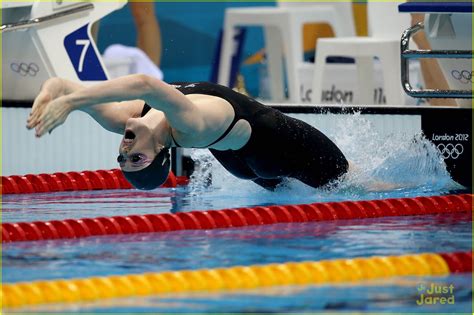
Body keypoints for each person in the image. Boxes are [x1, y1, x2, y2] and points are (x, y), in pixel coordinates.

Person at [26, 76, 349, 190]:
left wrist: (50, 94)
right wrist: (71, 102)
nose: (125, 152)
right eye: (136, 158)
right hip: (281, 145)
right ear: (160, 152)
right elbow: (146, 83)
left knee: (290, 193)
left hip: (242, 159)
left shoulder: (122, 119)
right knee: (350, 185)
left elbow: (64, 85)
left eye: (122, 158)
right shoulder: (189, 128)